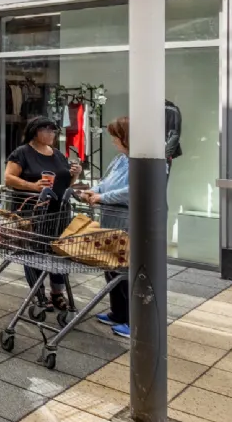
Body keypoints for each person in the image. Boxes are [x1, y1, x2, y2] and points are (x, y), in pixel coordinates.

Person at [4, 116, 82, 311]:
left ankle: (57, 292)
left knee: (59, 252)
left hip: (59, 212)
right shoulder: (22, 153)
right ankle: (37, 293)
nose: (51, 134)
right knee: (34, 252)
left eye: (53, 131)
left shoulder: (57, 154)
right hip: (33, 211)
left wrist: (75, 174)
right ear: (35, 131)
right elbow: (9, 178)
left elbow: (66, 184)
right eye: (46, 130)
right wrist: (33, 186)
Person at [83, 117, 133, 338]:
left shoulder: (143, 163)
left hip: (127, 222)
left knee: (126, 271)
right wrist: (92, 191)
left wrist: (102, 197)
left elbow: (132, 192)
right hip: (110, 220)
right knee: (110, 267)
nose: (113, 142)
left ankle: (134, 321)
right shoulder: (120, 159)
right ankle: (118, 312)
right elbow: (104, 182)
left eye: (116, 137)